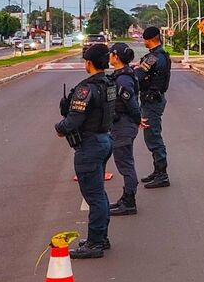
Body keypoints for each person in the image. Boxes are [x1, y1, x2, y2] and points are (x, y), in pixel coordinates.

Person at [56, 43, 116, 259]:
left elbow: (73, 120)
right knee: (99, 193)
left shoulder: (85, 89)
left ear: (89, 63)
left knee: (94, 196)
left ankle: (94, 243)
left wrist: (59, 128)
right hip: (104, 139)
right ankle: (101, 237)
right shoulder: (109, 83)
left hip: (90, 145)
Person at [107, 42, 142, 216]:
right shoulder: (121, 75)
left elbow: (131, 103)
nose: (109, 57)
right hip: (121, 124)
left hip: (123, 126)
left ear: (116, 57)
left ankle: (129, 202)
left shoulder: (123, 79)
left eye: (110, 54)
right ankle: (126, 198)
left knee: (125, 164)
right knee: (124, 162)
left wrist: (138, 119)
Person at [136, 26, 172, 188]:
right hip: (153, 99)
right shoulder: (160, 55)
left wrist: (133, 69)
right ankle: (157, 171)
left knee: (153, 136)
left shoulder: (153, 58)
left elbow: (138, 76)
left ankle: (162, 174)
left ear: (149, 39)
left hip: (152, 101)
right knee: (152, 135)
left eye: (144, 39)